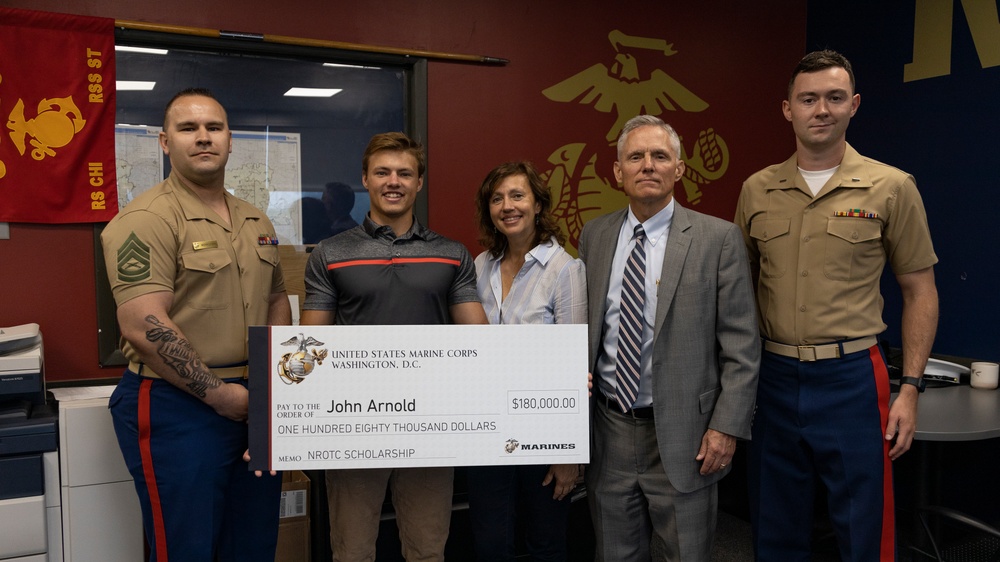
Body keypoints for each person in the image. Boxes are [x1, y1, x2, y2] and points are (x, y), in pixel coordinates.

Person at [734, 50, 939, 560]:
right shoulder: (757, 189)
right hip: (773, 379)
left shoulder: (892, 187)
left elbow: (920, 291)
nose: (820, 109)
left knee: (865, 526)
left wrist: (909, 390)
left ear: (854, 105)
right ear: (788, 109)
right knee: (774, 524)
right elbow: (738, 293)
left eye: (834, 97)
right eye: (808, 99)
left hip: (852, 378)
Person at [100, 88, 292, 561]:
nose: (203, 137)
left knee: (253, 543)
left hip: (254, 399)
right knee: (188, 548)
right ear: (165, 143)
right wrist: (222, 397)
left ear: (230, 141)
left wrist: (267, 395)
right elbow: (144, 326)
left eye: (214, 127)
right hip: (176, 406)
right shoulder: (146, 219)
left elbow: (276, 299)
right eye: (188, 129)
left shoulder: (255, 218)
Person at [579, 114, 760, 561]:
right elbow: (583, 326)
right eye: (635, 156)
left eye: (660, 156)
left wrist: (726, 427)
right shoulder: (594, 236)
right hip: (610, 428)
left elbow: (742, 345)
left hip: (687, 435)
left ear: (678, 169)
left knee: (685, 553)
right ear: (618, 172)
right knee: (614, 553)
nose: (648, 165)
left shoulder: (718, 239)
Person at [300, 131, 488, 561]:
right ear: (364, 179)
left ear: (419, 182)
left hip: (431, 425)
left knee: (427, 550)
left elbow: (481, 345)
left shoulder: (451, 254)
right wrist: (279, 418)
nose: (393, 181)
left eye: (405, 173)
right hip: (352, 425)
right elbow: (310, 344)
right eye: (382, 172)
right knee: (352, 551)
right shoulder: (330, 253)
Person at [468, 161, 587, 561]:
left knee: (545, 544)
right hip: (486, 431)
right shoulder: (479, 267)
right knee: (489, 543)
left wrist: (569, 453)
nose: (507, 206)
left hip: (543, 430)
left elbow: (575, 364)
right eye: (497, 199)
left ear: (538, 204)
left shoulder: (565, 270)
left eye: (517, 196)